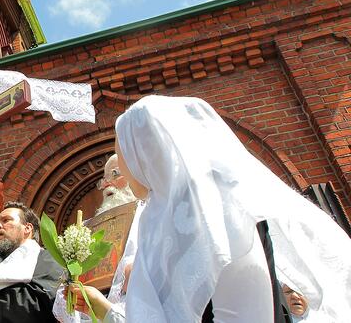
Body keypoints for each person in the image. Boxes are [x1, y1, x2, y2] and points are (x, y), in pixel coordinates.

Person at [70, 95, 351, 322]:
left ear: (148, 153)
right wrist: (105, 310)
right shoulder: (159, 216)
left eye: (122, 155)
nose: (120, 172)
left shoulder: (222, 213)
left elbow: (244, 315)